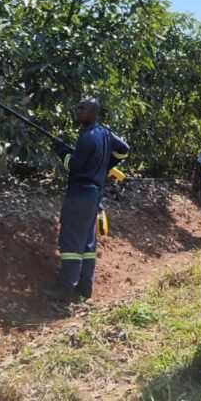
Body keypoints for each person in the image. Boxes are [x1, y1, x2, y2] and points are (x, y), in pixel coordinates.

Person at [43, 98, 129, 304]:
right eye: (78, 106)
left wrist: (60, 149)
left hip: (80, 193)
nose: (78, 110)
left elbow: (73, 165)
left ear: (94, 112)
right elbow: (124, 148)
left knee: (71, 241)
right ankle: (84, 289)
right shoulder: (105, 134)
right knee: (88, 243)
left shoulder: (87, 138)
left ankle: (65, 290)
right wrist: (107, 164)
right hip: (94, 196)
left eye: (83, 108)